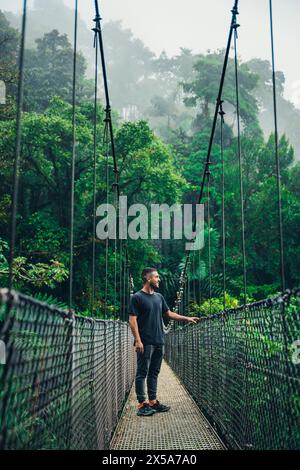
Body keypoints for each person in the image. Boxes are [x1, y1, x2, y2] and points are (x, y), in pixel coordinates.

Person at [128, 267, 200, 417]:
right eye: (156, 277)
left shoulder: (159, 297)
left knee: (154, 372)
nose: (158, 279)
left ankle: (153, 402)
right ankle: (142, 404)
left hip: (159, 341)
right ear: (148, 279)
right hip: (145, 342)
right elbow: (132, 320)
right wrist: (138, 340)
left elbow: (168, 314)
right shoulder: (137, 297)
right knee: (142, 372)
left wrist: (186, 318)